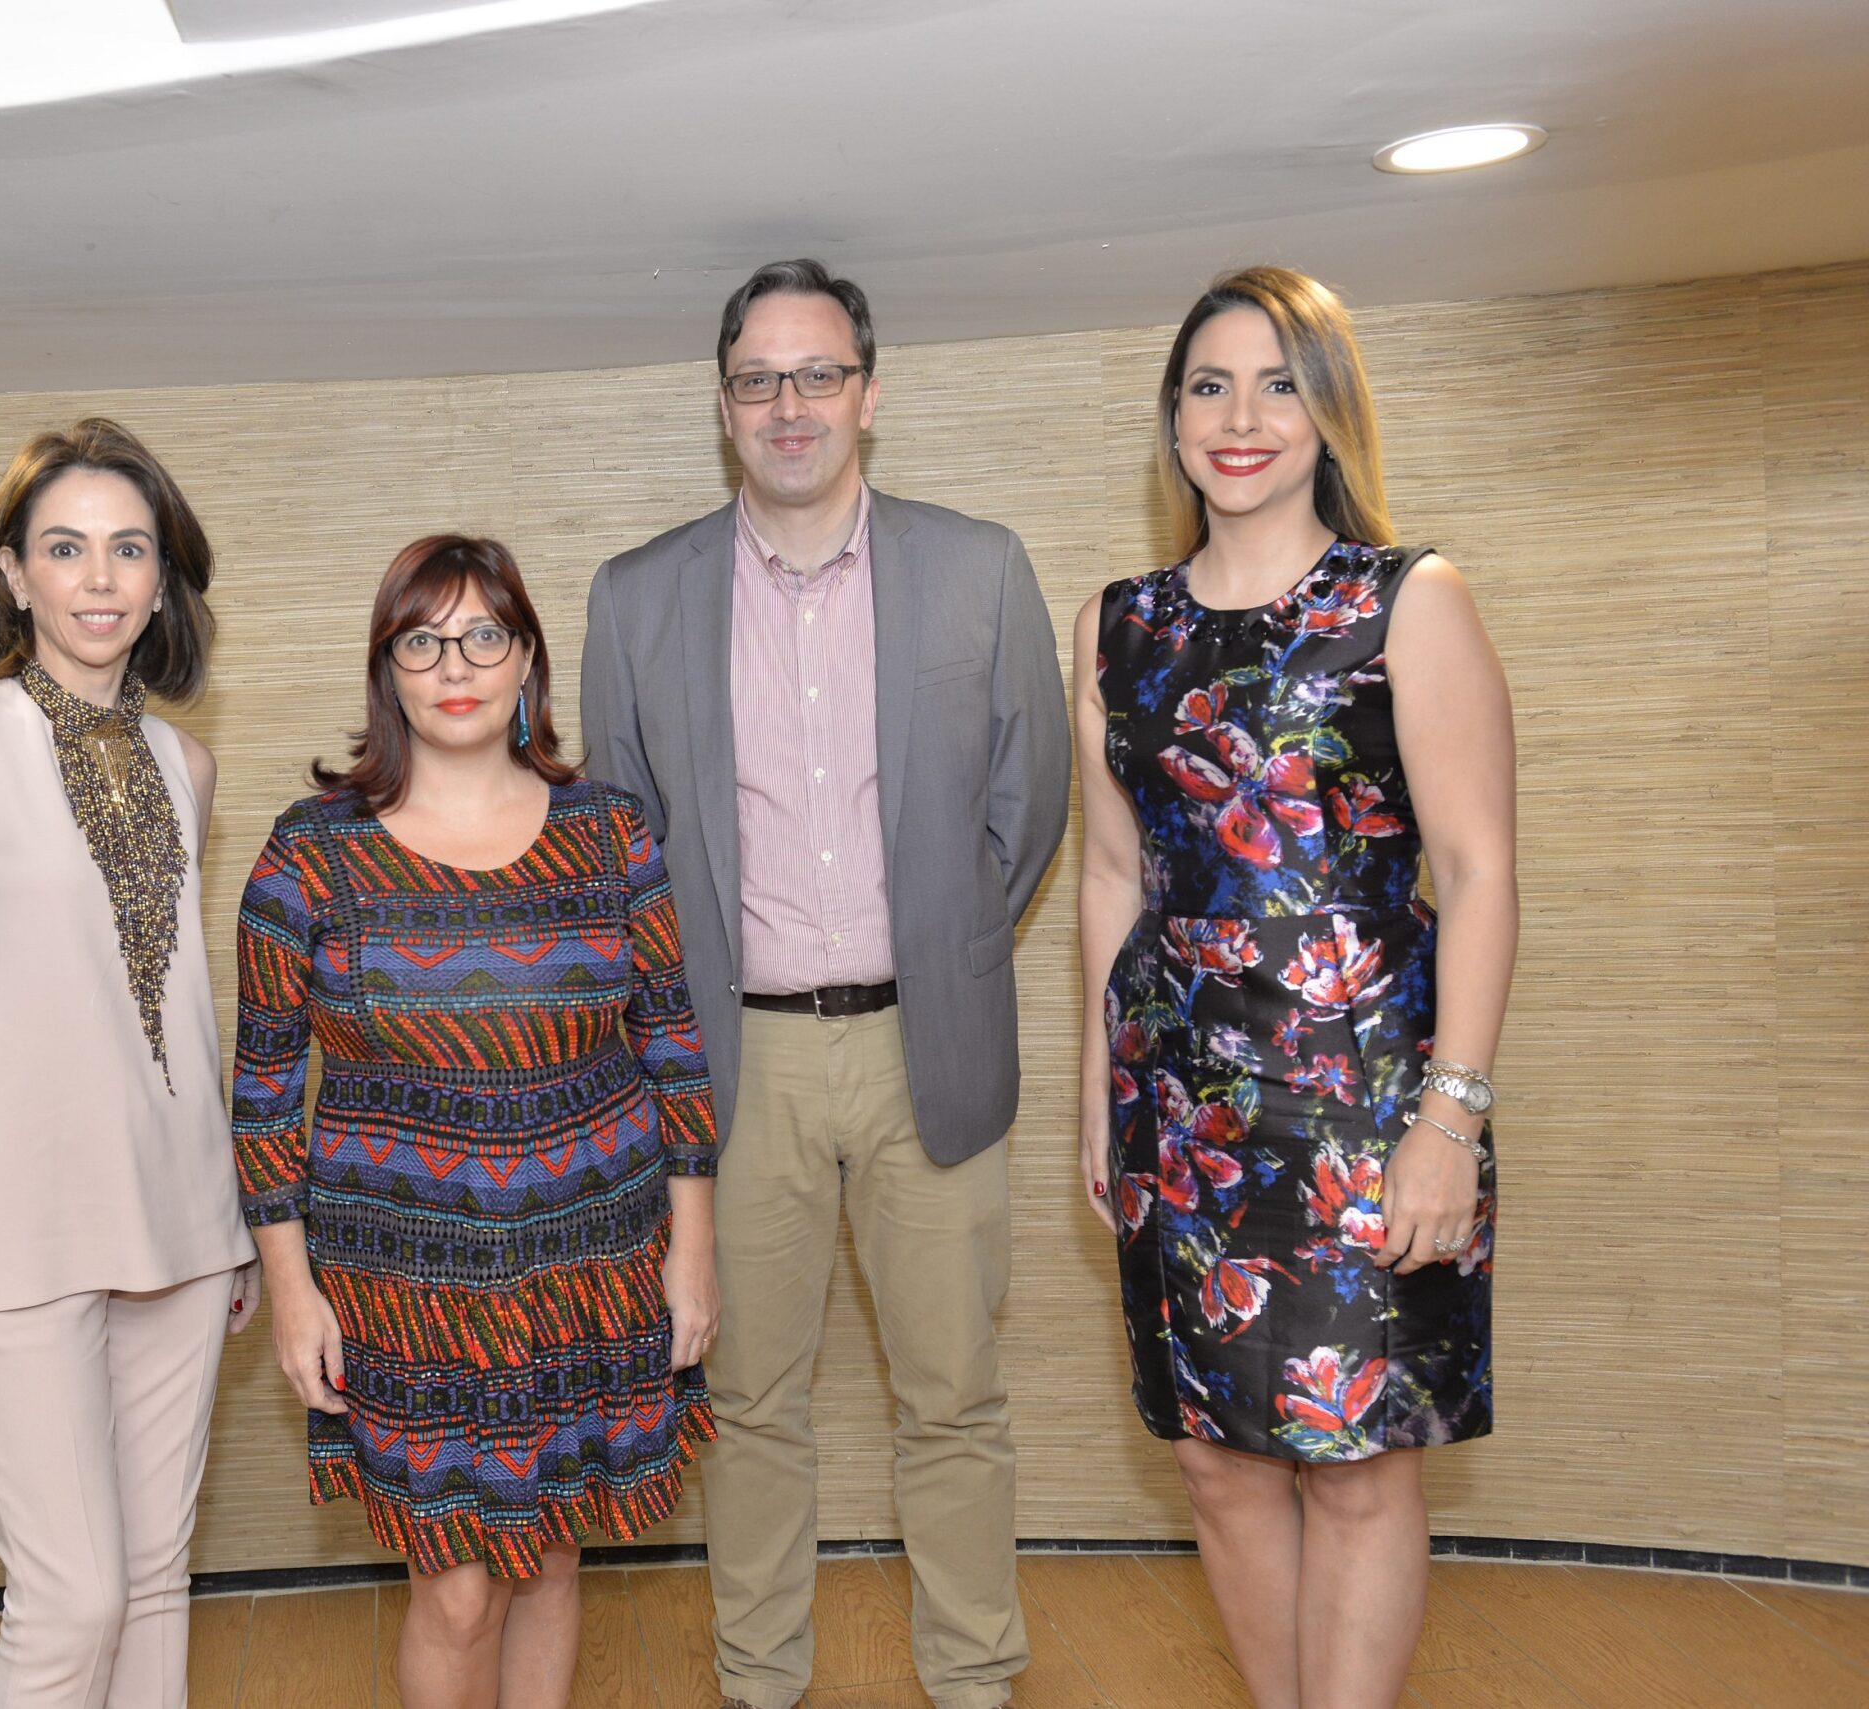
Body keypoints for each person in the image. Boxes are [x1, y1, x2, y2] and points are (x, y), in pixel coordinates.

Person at [578, 259, 1071, 1709]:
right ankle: (759, 1681)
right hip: (741, 1068)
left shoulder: (979, 566)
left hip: (932, 1042)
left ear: (871, 389)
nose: (789, 405)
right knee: (748, 1402)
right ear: (723, 406)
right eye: (757, 380)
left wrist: (942, 934)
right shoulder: (638, 596)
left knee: (955, 1401)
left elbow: (1023, 813)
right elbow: (621, 836)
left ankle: (978, 1679)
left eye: (819, 374)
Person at [1075, 266, 1514, 1709]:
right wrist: (1099, 1099)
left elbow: (1481, 869)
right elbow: (1113, 879)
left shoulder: (1407, 599)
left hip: (1368, 1088)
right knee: (1213, 1457)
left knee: (1357, 1461)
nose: (1242, 417)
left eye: (1277, 383)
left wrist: (1449, 1120)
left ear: (1328, 414)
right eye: (1210, 385)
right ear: (1173, 420)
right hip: (1178, 1099)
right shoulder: (1118, 626)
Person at [231, 535, 719, 1709]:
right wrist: (290, 1288)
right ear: (385, 669)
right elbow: (258, 1092)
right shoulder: (311, 853)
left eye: (484, 634)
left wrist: (690, 1251)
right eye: (422, 639)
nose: (456, 664)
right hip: (403, 1284)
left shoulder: (611, 835)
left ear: (527, 660)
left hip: (592, 1257)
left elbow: (672, 1046)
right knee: (455, 1586)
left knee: (553, 1546)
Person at [0, 417, 258, 1709]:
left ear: (162, 580)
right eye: (67, 547)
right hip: (12, 1237)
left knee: (152, 1582)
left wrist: (237, 1223)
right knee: (72, 1596)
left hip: (183, 1228)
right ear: (15, 571)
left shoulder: (187, 765)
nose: (99, 578)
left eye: (128, 548)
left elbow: (169, 1006)